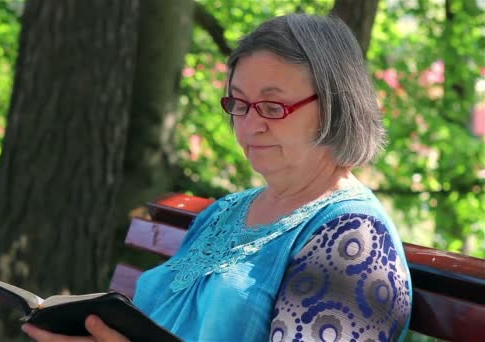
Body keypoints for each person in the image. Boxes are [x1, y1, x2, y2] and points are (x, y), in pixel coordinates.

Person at [23, 13, 412, 342]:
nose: (249, 125)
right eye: (239, 103)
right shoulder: (224, 212)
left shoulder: (355, 240)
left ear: (334, 108)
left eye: (273, 106)